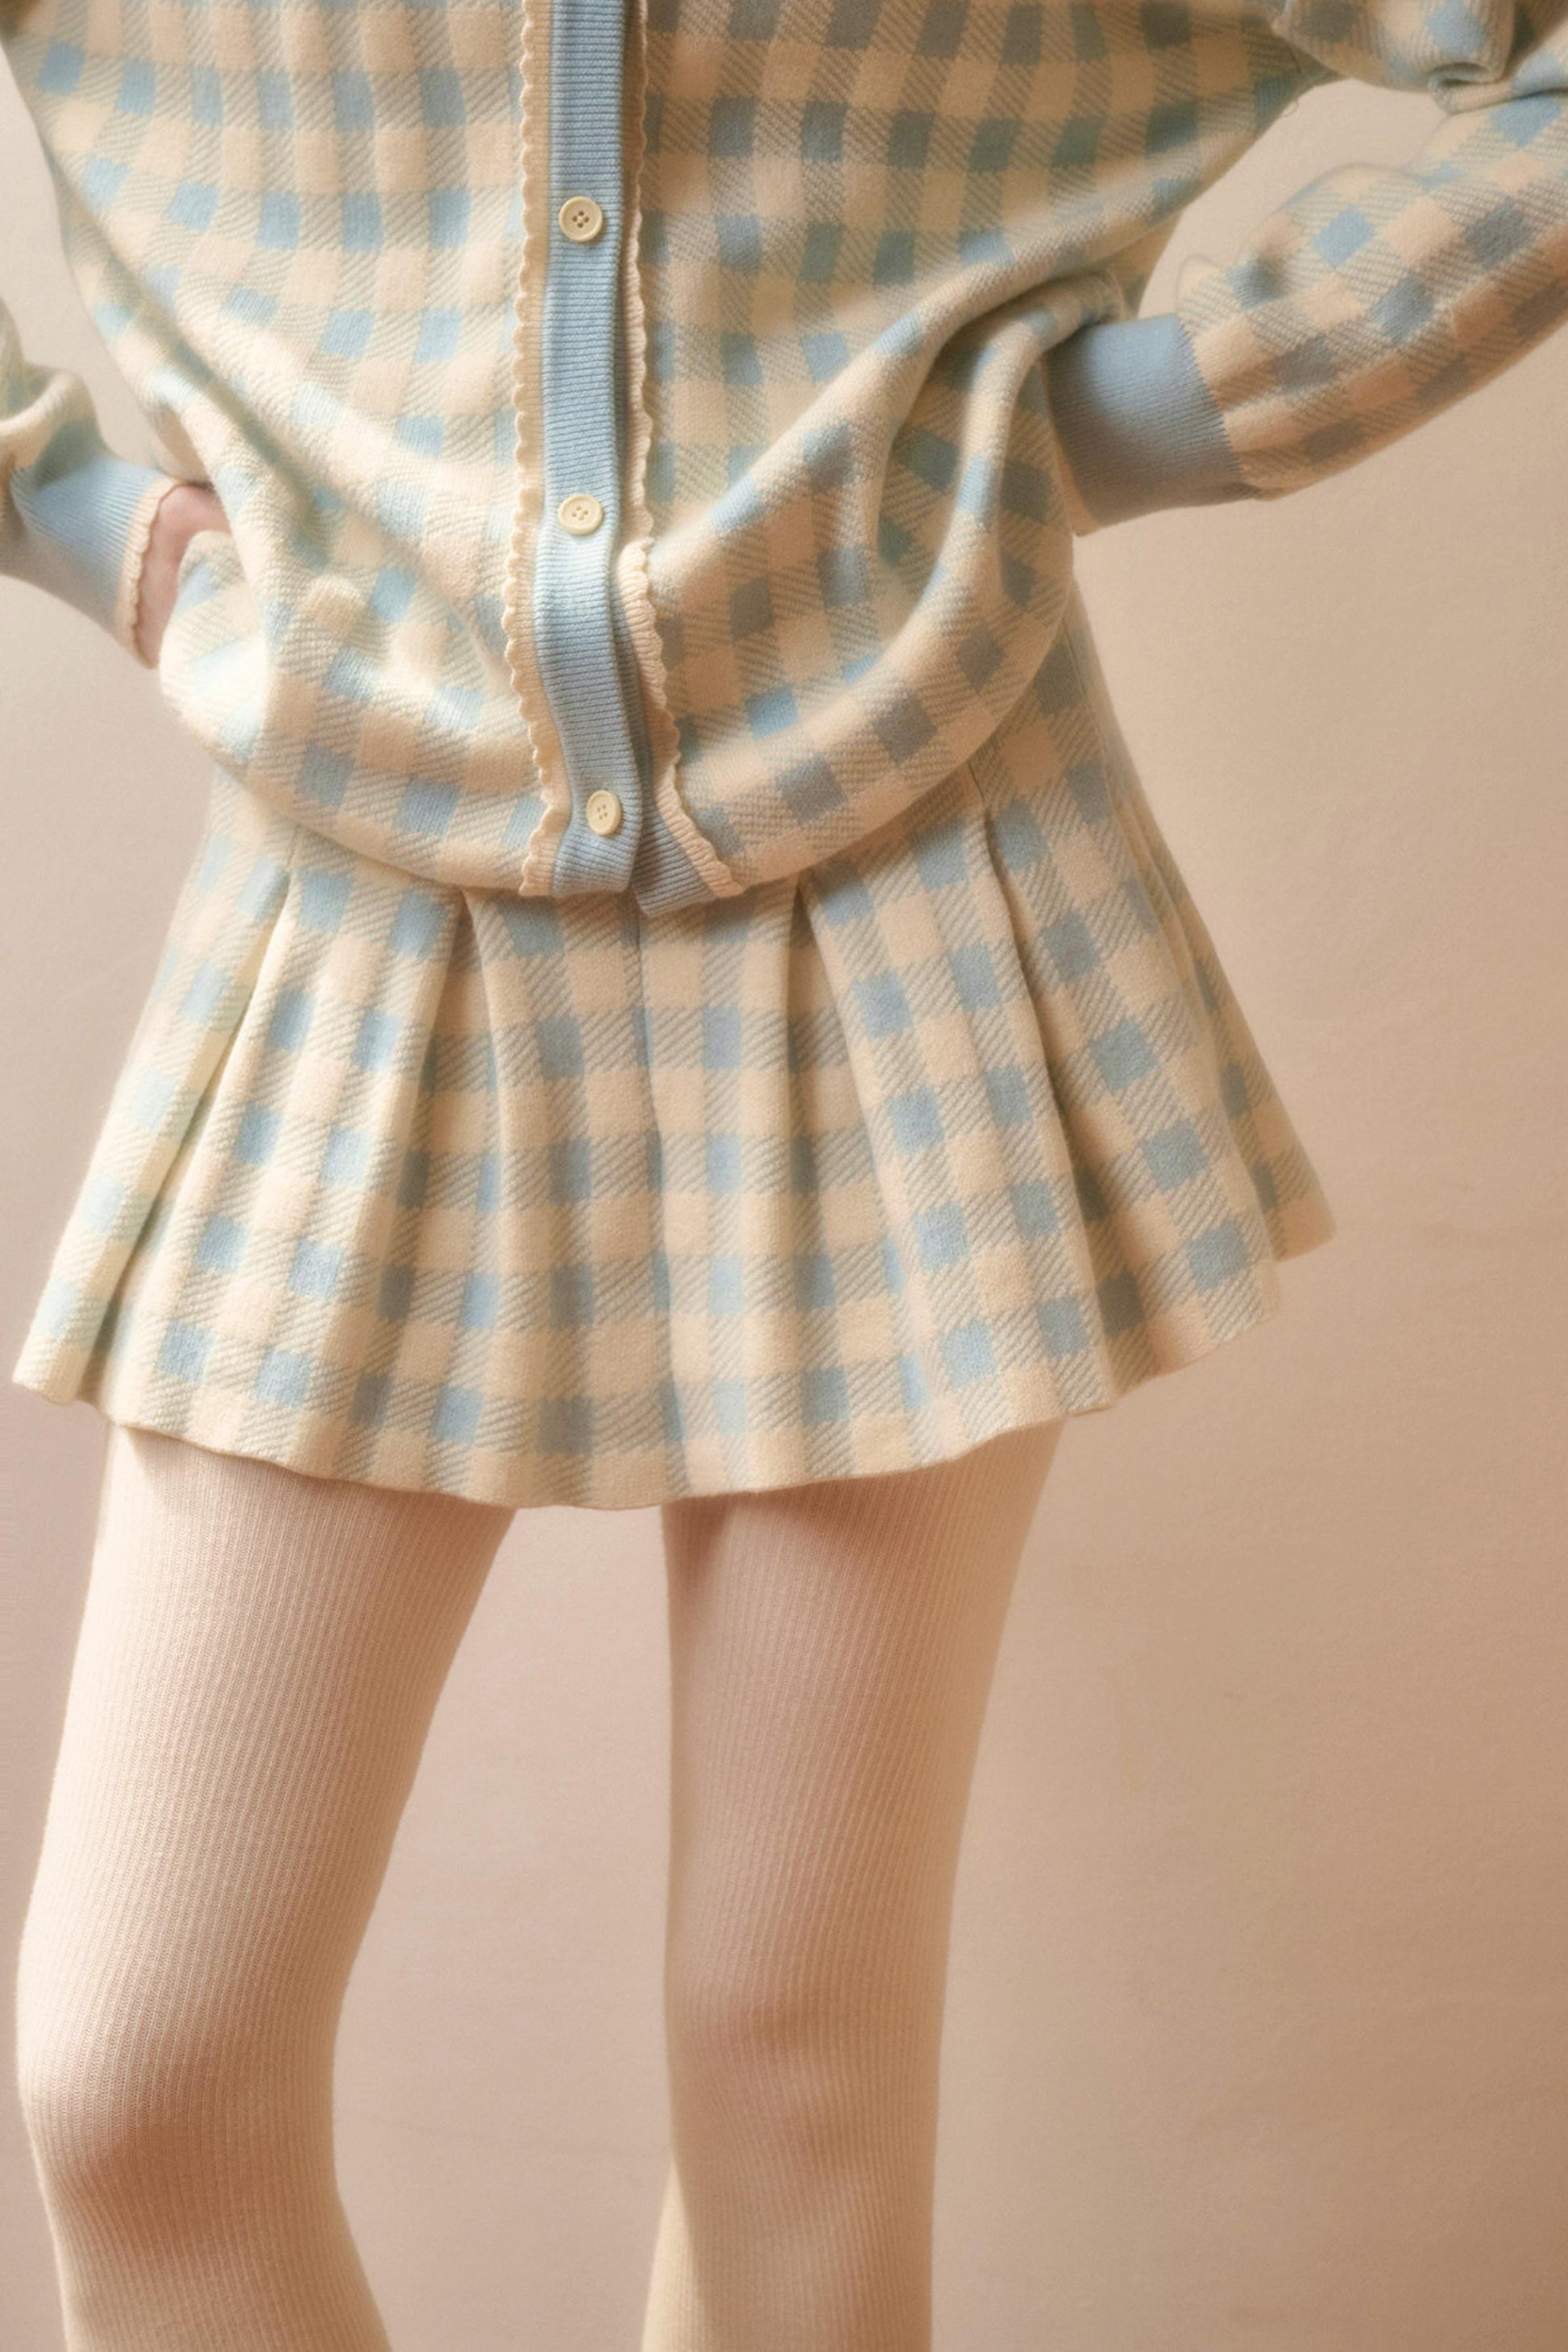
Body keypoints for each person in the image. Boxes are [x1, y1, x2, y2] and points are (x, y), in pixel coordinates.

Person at [5, 0, 1564, 2339]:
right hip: (350, 902)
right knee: (138, 2080)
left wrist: (1128, 416)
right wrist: (86, 527)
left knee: (795, 2061)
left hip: (915, 880)